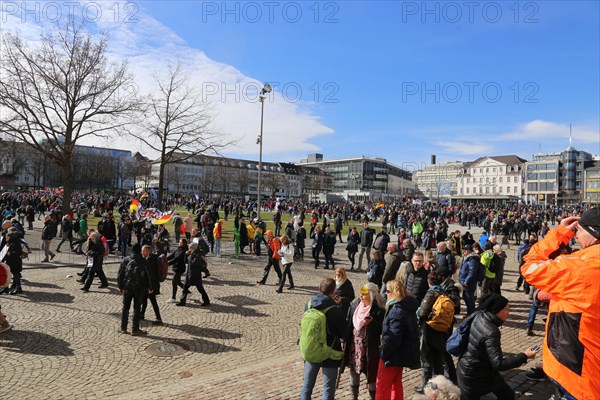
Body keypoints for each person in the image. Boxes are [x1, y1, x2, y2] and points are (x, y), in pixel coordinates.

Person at [521, 207, 600, 399]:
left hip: (581, 374)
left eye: (578, 231)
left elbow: (530, 266)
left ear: (592, 232)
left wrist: (559, 232)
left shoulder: (580, 265)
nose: (575, 236)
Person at [457, 293, 538, 399]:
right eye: (506, 309)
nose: (508, 312)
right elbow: (499, 364)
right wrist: (525, 355)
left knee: (507, 394)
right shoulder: (491, 331)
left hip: (481, 370)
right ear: (496, 311)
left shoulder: (480, 315)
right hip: (472, 375)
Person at [300, 278, 346, 400]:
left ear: (319, 289)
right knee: (328, 390)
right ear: (334, 291)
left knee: (307, 386)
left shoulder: (309, 305)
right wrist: (339, 306)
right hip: (329, 353)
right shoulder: (335, 311)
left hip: (312, 349)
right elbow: (343, 333)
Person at [415, 271, 460, 394]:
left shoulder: (431, 292)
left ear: (429, 282)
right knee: (438, 360)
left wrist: (418, 312)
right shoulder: (444, 292)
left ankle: (426, 386)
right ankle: (438, 385)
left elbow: (423, 313)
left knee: (427, 359)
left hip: (430, 330)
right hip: (443, 330)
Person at [375, 279, 420, 400]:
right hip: (401, 353)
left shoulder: (396, 311)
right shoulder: (406, 306)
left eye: (388, 291)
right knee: (396, 384)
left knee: (382, 386)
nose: (386, 294)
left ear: (394, 293)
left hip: (392, 355)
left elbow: (394, 338)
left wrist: (384, 354)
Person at [341, 283, 385, 400]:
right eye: (360, 293)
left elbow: (382, 329)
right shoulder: (355, 306)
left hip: (370, 349)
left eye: (364, 294)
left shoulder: (378, 310)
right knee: (353, 372)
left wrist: (372, 323)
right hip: (354, 346)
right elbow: (348, 324)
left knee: (371, 375)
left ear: (371, 295)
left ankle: (373, 397)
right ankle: (353, 397)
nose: (361, 296)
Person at [117, 243, 148, 336]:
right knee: (137, 308)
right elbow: (147, 276)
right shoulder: (143, 260)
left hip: (127, 287)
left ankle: (123, 328)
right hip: (139, 287)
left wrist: (120, 286)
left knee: (125, 307)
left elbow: (120, 274)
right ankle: (135, 329)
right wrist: (148, 287)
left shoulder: (125, 260)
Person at [177, 242, 210, 307]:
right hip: (189, 274)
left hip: (195, 275)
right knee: (185, 288)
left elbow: (193, 263)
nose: (189, 249)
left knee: (200, 289)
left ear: (193, 248)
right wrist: (186, 255)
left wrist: (190, 255)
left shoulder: (197, 255)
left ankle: (206, 301)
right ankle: (182, 301)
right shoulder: (191, 254)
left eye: (190, 248)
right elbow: (186, 261)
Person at [140, 245, 162, 325]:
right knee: (144, 299)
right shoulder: (153, 258)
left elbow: (150, 275)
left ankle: (158, 318)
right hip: (149, 285)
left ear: (148, 251)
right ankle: (142, 314)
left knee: (153, 301)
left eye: (143, 251)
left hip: (151, 286)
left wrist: (150, 287)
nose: (142, 252)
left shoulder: (150, 261)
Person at [458, 244, 479, 316]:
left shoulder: (473, 259)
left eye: (465, 250)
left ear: (470, 250)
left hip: (468, 283)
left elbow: (472, 272)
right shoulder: (466, 257)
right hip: (464, 282)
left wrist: (467, 280)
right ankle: (469, 313)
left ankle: (471, 314)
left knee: (469, 299)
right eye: (463, 249)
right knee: (466, 298)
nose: (464, 251)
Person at [167, 238, 188, 303]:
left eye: (180, 242)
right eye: (179, 242)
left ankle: (173, 297)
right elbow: (172, 255)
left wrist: (168, 263)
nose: (179, 243)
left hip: (180, 268)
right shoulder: (178, 249)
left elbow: (176, 259)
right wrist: (165, 259)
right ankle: (187, 292)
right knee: (178, 282)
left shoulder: (183, 251)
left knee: (174, 282)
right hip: (176, 267)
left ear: (183, 244)